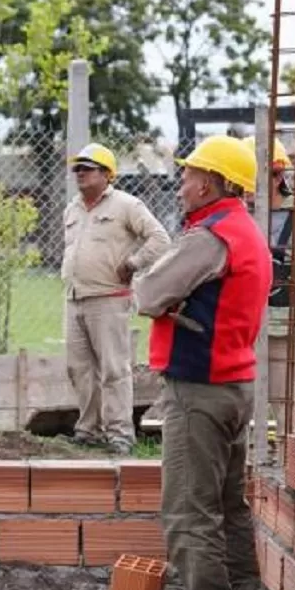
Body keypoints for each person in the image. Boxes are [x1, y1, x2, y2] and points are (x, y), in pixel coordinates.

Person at [133, 135, 272, 590]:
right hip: (236, 387)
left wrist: (163, 292)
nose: (183, 181)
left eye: (190, 173)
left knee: (190, 514)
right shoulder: (247, 232)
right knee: (230, 514)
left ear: (212, 183)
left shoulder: (209, 237)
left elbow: (148, 296)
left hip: (199, 390)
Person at [61, 142, 170, 454]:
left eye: (87, 167)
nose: (79, 172)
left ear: (107, 174)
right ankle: (89, 431)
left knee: (113, 369)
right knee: (79, 369)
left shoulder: (126, 205)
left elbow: (160, 238)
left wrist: (134, 263)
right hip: (74, 297)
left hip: (109, 298)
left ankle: (120, 435)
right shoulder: (73, 209)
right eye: (77, 168)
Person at [242, 135, 295, 436]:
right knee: (238, 410)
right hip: (241, 332)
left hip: (286, 330)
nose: (243, 184)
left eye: (250, 176)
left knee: (289, 412)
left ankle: (288, 471)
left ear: (278, 176)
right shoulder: (236, 217)